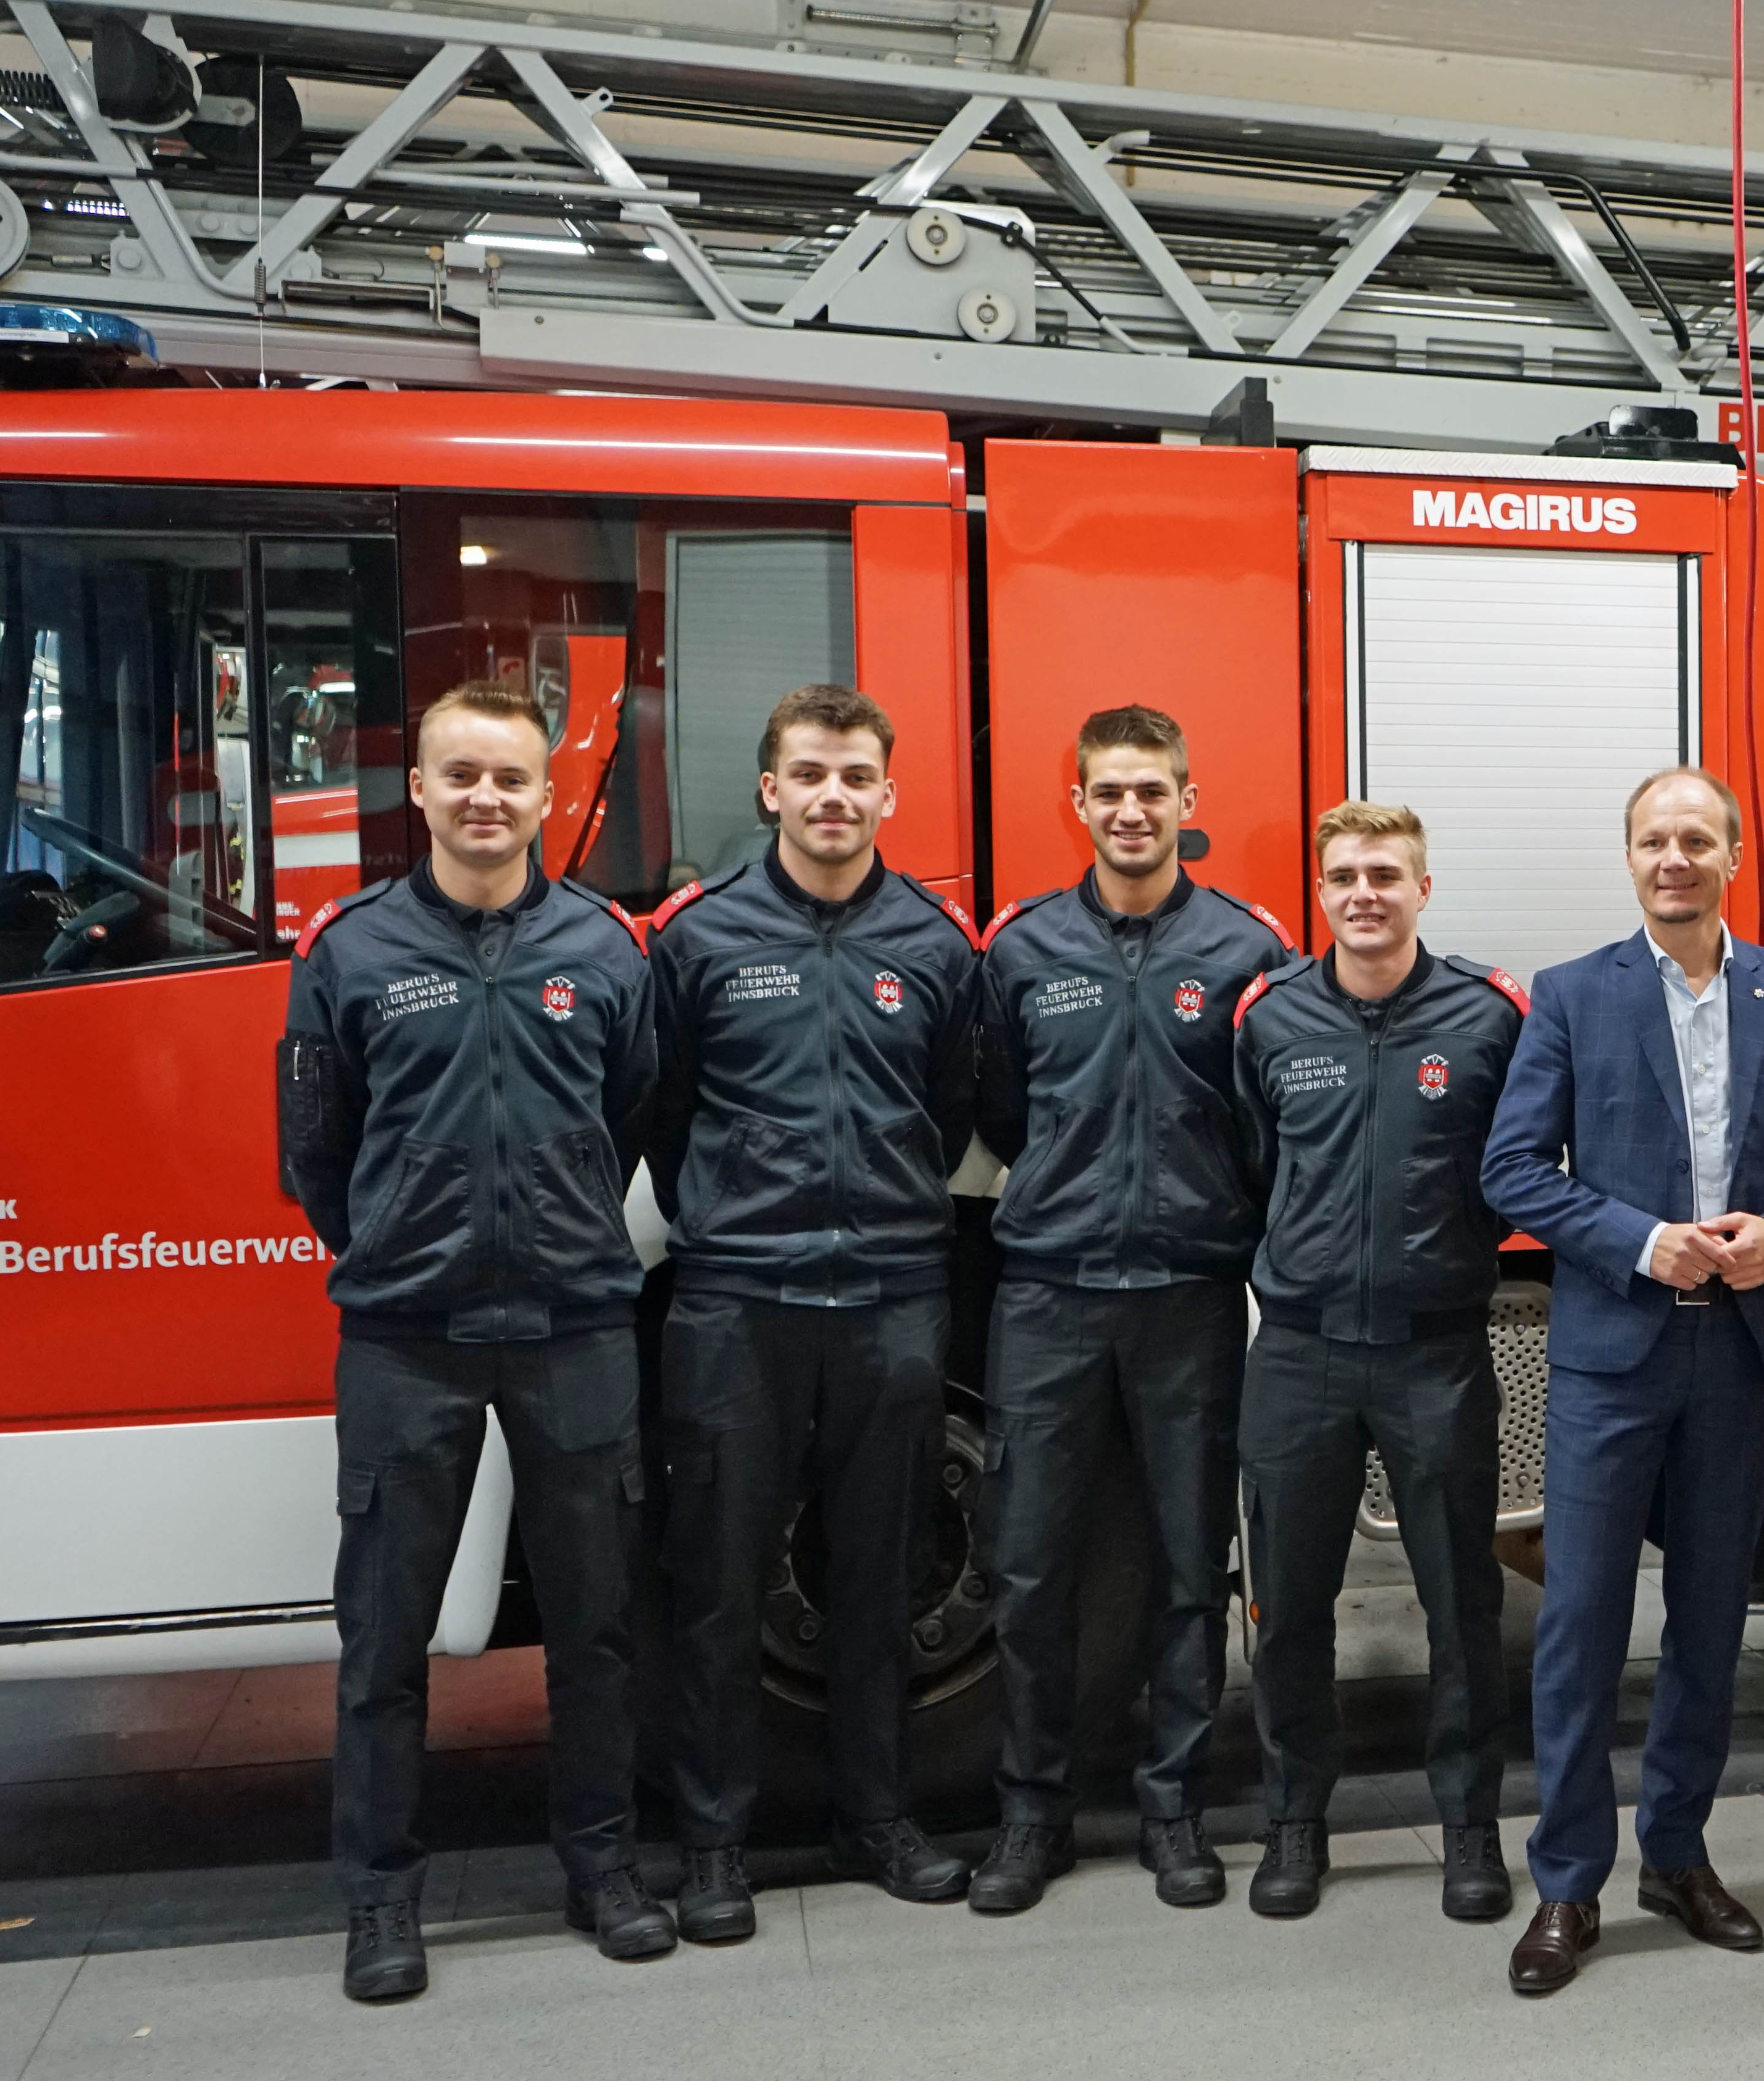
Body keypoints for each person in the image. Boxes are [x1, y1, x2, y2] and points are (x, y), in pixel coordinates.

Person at [277, 680, 666, 2002]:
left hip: (574, 1327)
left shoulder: (610, 950)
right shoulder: (351, 952)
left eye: (509, 776)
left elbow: (630, 1112)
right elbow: (316, 1152)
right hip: (406, 1335)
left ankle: (603, 1865)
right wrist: (402, 1235)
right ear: (424, 792)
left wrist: (549, 1218)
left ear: (547, 793)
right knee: (384, 1639)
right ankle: (382, 1900)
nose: (485, 798)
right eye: (461, 775)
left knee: (599, 1626)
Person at [1478, 769, 1764, 1995]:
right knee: (1583, 1623)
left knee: (1710, 1619)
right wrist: (1642, 1241)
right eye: (1655, 839)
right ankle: (1566, 1881)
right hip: (1614, 1348)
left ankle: (1678, 1854)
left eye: (1698, 838)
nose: (1676, 857)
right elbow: (1513, 1169)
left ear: (1734, 854)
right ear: (1631, 856)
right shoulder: (1573, 994)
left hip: (1739, 1351)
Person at [643, 685, 985, 1933]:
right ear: (769, 789)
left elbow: (949, 1110)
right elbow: (661, 1105)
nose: (835, 795)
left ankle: (875, 1814)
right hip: (738, 1302)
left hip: (894, 1297)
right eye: (810, 773)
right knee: (720, 1579)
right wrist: (737, 1212)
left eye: (857, 775)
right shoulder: (696, 938)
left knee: (881, 1571)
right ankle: (716, 1840)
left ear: (890, 793)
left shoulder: (939, 945)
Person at [968, 708, 1297, 1917]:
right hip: (1047, 1296)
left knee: (1186, 1564)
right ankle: (1031, 1812)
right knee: (1028, 1561)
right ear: (1079, 803)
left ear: (1186, 797)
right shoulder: (1019, 947)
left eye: (1152, 790)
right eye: (1108, 792)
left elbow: (1266, 1116)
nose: (1130, 811)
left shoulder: (1247, 946)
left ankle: (1173, 1808)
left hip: (1189, 1298)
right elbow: (1001, 1108)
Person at [1231, 800, 1532, 1925]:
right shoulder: (1268, 1019)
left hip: (1435, 1354)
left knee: (1462, 1605)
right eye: (1346, 875)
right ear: (1321, 891)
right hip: (1299, 1353)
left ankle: (1469, 1830)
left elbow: (1520, 1162)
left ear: (1423, 887)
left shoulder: (1489, 1016)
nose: (1365, 893)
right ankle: (1295, 1825)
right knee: (1290, 1607)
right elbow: (1254, 1163)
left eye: (1387, 874)